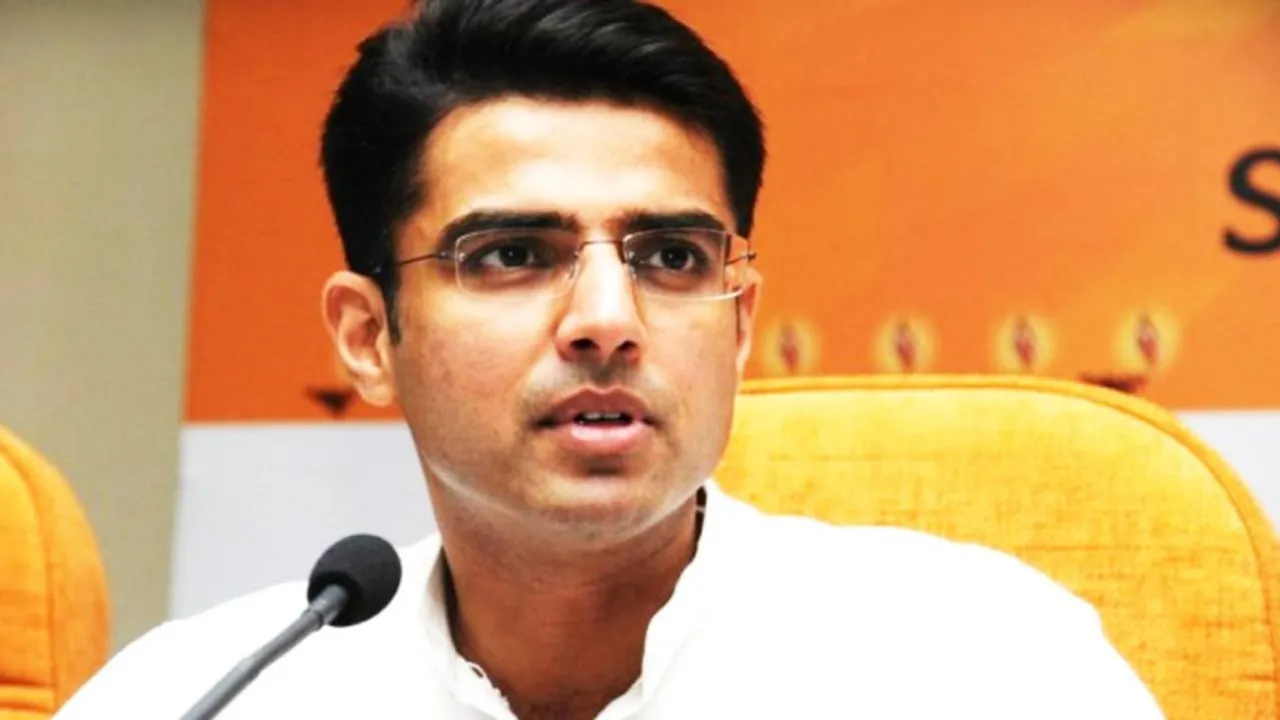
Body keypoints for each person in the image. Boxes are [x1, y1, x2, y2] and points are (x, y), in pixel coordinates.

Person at [57, 0, 1166, 717]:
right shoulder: (200, 698)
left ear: (739, 322)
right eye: (511, 254)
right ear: (367, 336)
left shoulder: (981, 664)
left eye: (672, 256)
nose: (606, 319)